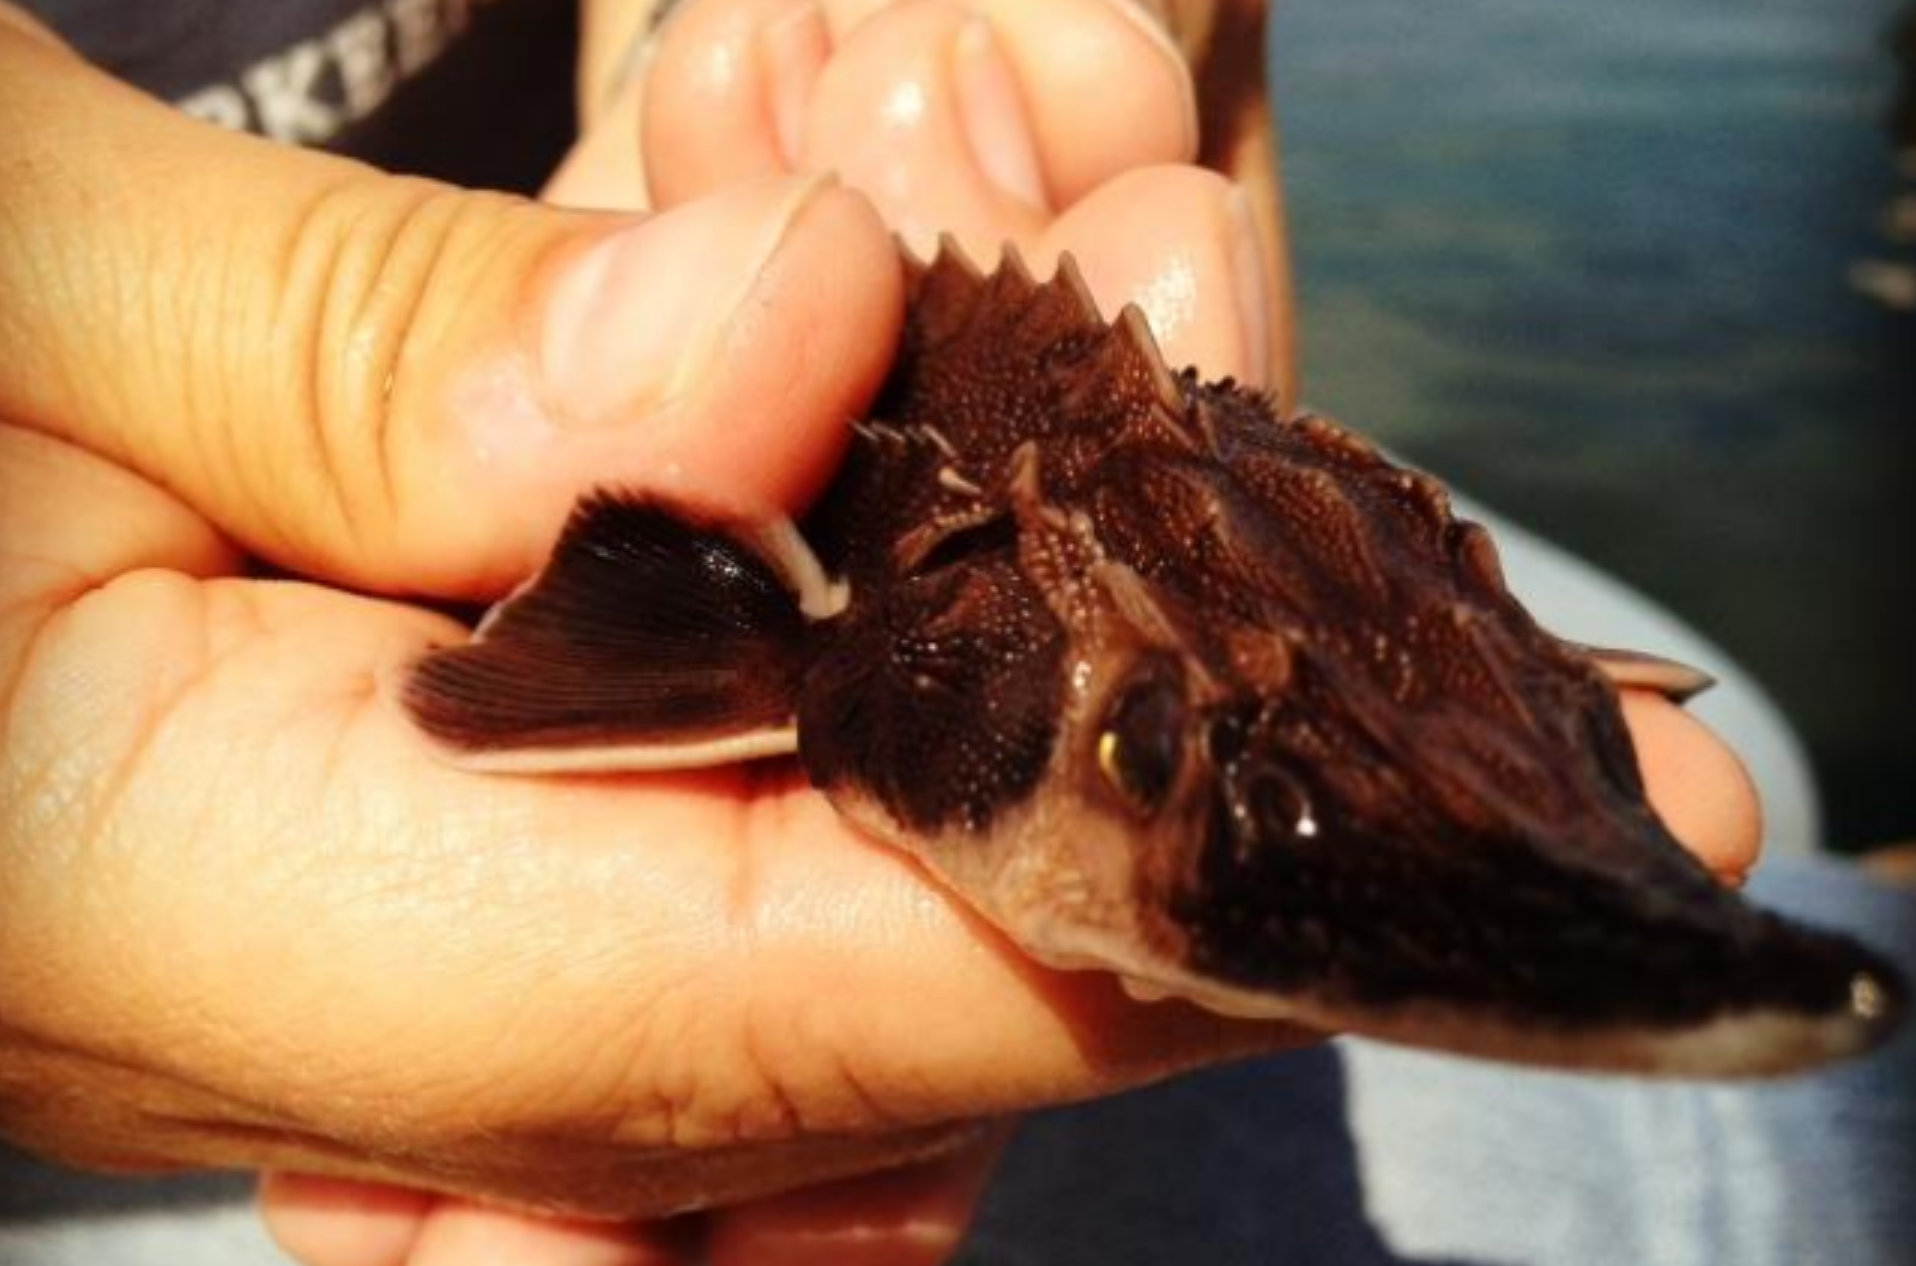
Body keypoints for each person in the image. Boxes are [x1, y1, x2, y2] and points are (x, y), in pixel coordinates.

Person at [1, 3, 1904, 1265]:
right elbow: (501, 656)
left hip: (657, 228)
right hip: (185, 580)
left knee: (1751, 808)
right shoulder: (878, 644)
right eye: (1139, 763)